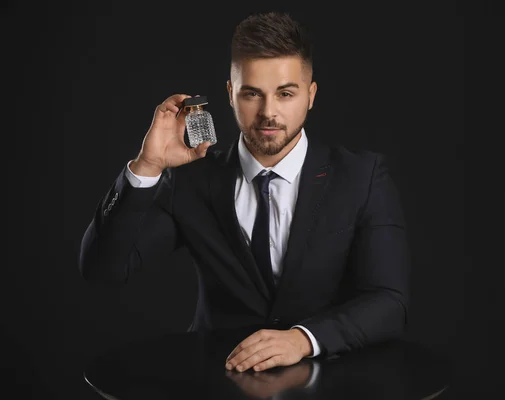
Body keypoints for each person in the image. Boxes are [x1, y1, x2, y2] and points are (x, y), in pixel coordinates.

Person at [78, 11, 410, 373]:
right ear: (230, 94)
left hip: (330, 381)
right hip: (216, 379)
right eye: (252, 94)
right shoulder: (190, 181)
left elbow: (389, 301)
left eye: (286, 93)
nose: (269, 113)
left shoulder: (362, 177)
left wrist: (302, 339)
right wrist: (147, 167)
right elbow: (103, 271)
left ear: (311, 95)